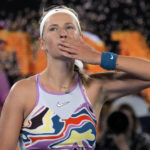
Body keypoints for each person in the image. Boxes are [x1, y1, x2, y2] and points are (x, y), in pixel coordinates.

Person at [0, 5, 150, 150]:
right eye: (53, 28)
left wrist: (99, 57)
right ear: (42, 43)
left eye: (69, 27)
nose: (63, 34)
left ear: (80, 38)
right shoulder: (23, 91)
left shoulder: (95, 87)